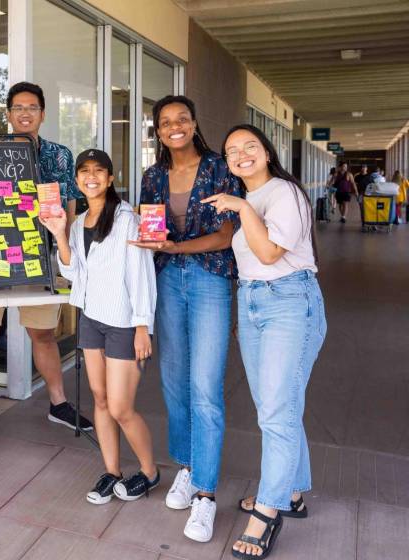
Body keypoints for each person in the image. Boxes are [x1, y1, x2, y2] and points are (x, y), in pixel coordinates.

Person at [203, 124, 326, 560]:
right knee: (277, 407)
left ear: (268, 153)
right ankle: (290, 493)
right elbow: (252, 261)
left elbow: (272, 253)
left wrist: (241, 208)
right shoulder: (251, 200)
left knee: (277, 410)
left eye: (249, 146)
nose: (240, 154)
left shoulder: (282, 193)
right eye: (232, 150)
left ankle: (267, 513)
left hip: (290, 301)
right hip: (254, 301)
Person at [0, 81, 92, 443]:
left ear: (42, 114)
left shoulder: (58, 155)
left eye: (32, 107)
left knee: (42, 333)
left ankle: (58, 404)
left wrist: (66, 253)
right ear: (8, 115)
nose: (25, 113)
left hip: (41, 257)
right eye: (18, 108)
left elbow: (70, 208)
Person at [131, 95, 241, 543]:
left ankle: (207, 495)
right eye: (165, 122)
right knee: (174, 382)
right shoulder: (153, 175)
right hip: (165, 282)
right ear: (157, 131)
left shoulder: (219, 169)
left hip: (209, 278)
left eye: (182, 119)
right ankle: (188, 467)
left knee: (205, 387)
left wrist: (176, 247)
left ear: (194, 123)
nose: (174, 126)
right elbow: (149, 228)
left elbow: (226, 233)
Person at [41, 149, 159, 504]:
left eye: (98, 171)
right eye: (84, 172)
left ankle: (150, 472)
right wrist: (60, 233)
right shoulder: (78, 224)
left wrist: (142, 326)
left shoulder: (127, 220)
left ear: (110, 178)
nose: (90, 177)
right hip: (91, 318)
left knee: (122, 406)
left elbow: (142, 275)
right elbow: (73, 273)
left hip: (125, 322)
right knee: (101, 400)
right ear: (77, 180)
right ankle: (112, 471)